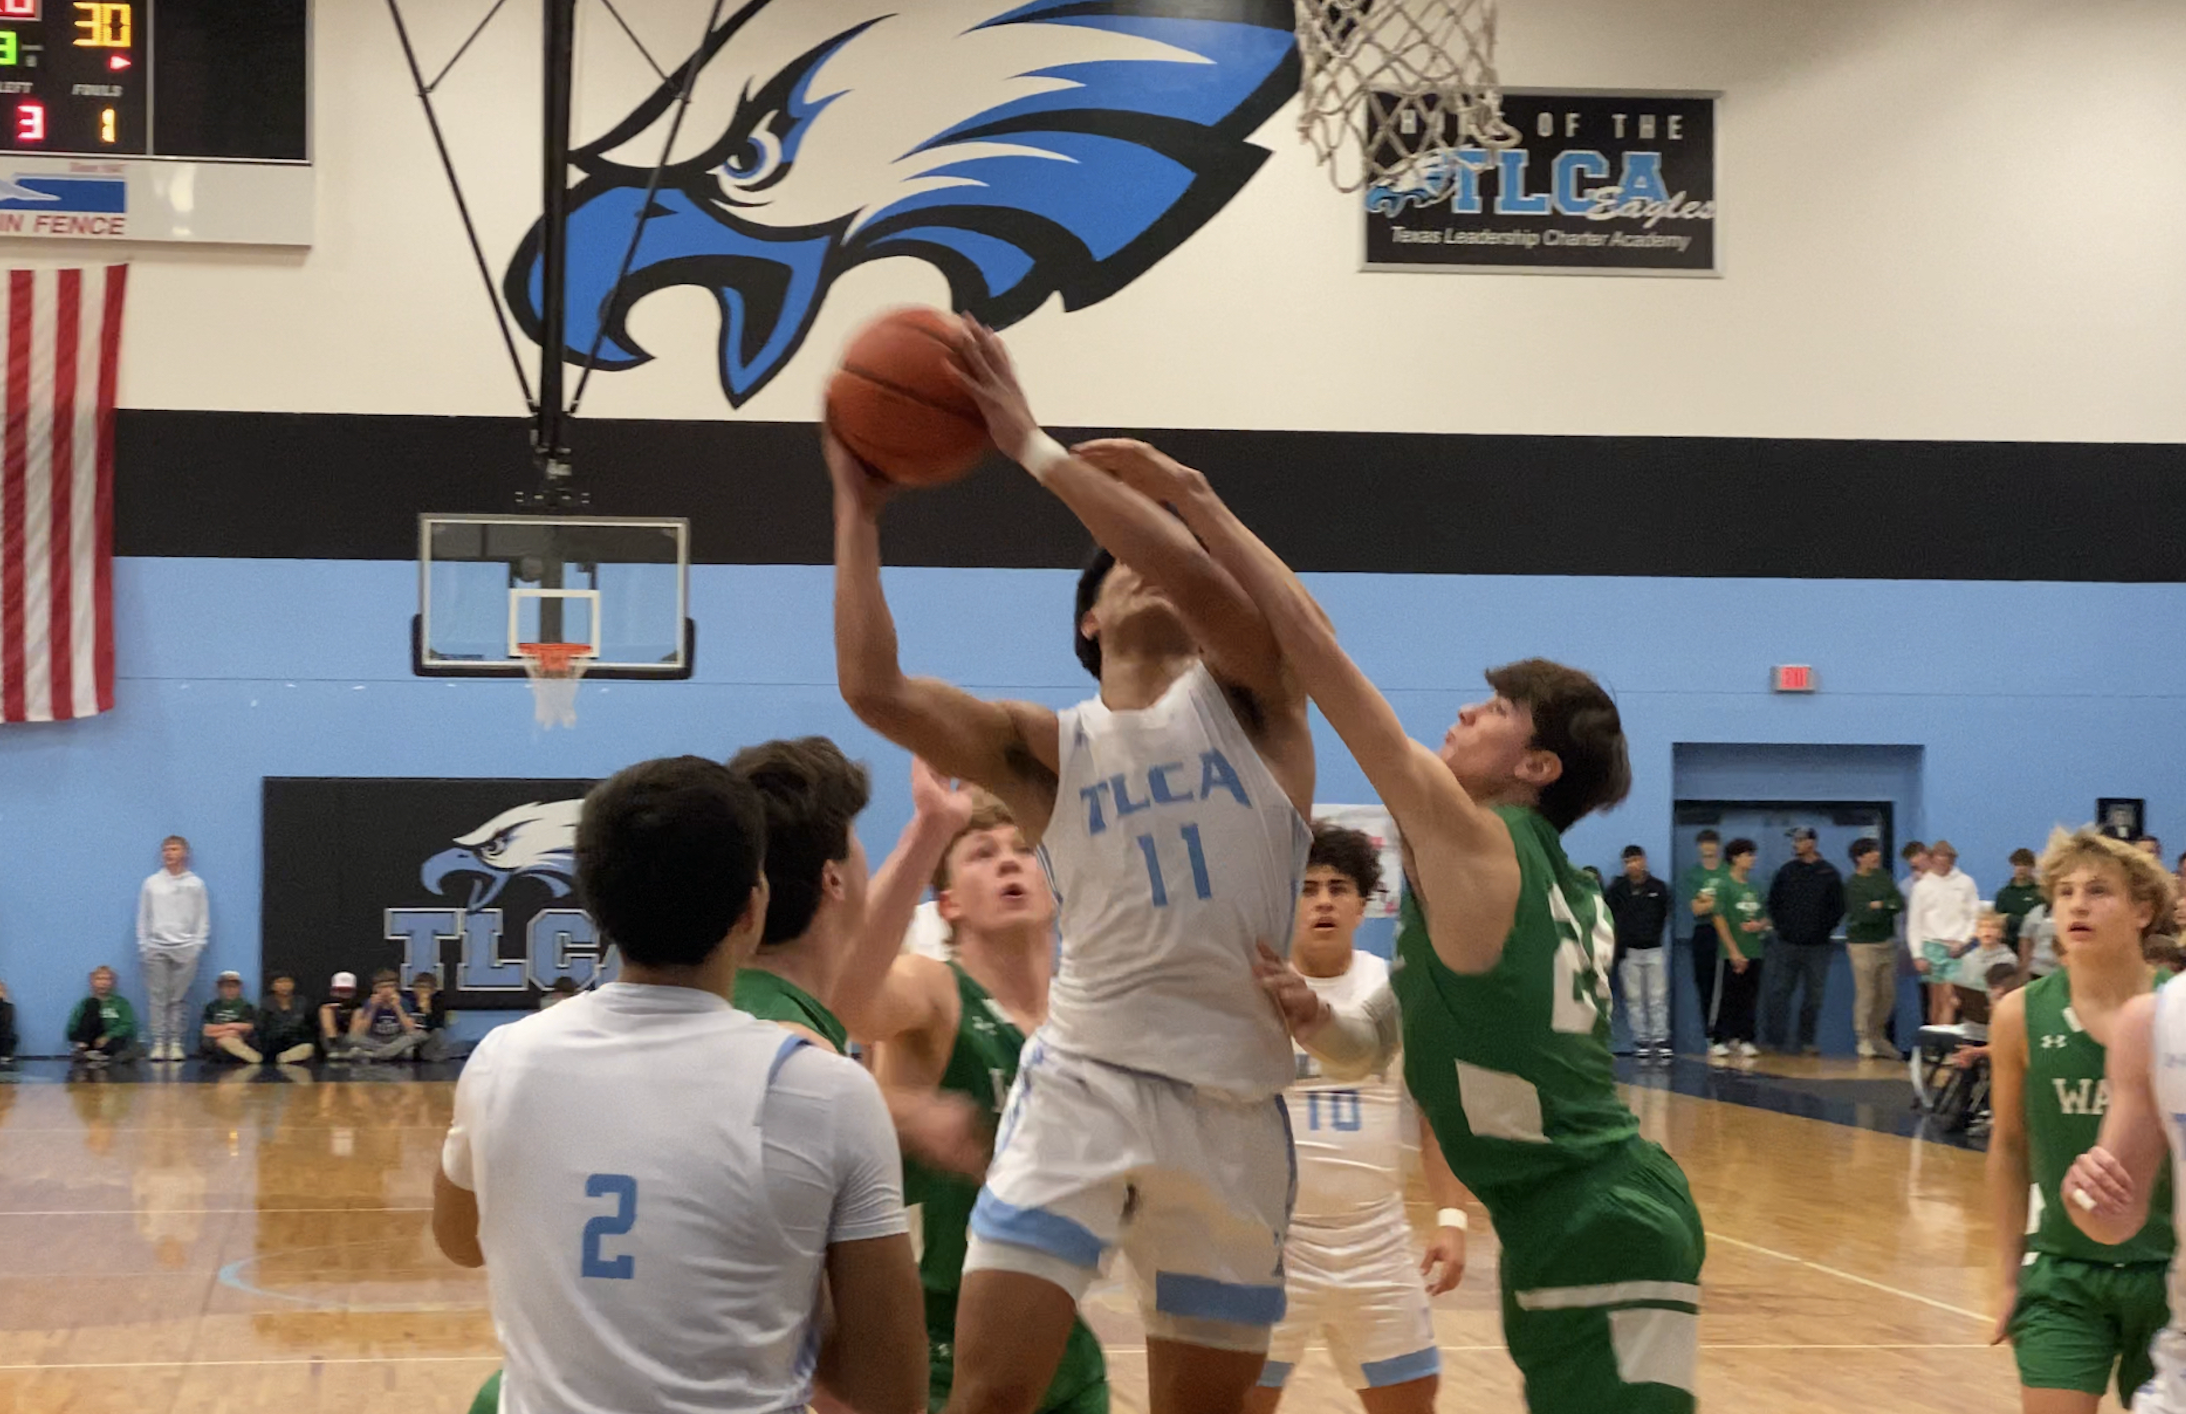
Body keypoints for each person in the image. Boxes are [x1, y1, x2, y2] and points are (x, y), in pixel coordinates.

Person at [1075, 437, 1705, 1413]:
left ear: (1536, 767)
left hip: (1593, 1210)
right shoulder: (1540, 883)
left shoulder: (1477, 838)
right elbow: (1385, 1042)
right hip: (1571, 1213)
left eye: (1495, 707)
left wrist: (1194, 498)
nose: (1464, 710)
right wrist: (1318, 1021)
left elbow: (1314, 654)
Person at [834, 323, 1315, 1414]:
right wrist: (857, 512)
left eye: (1169, 558)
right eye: (1122, 563)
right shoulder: (1047, 751)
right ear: (1089, 620)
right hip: (1084, 1084)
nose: (1156, 567)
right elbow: (873, 688)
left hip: (1233, 1104)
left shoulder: (1256, 709)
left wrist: (1034, 448)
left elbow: (1230, 592)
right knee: (992, 1397)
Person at [432, 754, 924, 1414]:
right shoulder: (824, 1090)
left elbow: (459, 1240)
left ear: (597, 905)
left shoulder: (501, 1060)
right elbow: (890, 1391)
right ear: (753, 906)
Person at [840, 793, 1109, 1414]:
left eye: (1024, 850)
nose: (1009, 863)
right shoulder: (935, 988)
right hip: (938, 1350)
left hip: (1061, 1345)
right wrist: (929, 832)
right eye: (983, 854)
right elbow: (849, 1003)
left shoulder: (1087, 1019)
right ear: (949, 903)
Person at [1251, 821, 1467, 1414]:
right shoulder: (1254, 993)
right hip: (1275, 1244)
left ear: (1362, 904)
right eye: (1307, 888)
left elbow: (1434, 1112)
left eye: (1338, 888)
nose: (1323, 901)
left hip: (1377, 1240)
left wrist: (1452, 1218)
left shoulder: (1393, 990)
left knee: (1412, 1402)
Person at [1988, 827, 2176, 1414]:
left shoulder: (2176, 1012)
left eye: (2098, 891)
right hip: (2063, 1271)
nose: (2077, 905)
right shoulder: (2019, 1014)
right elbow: (2008, 1147)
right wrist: (2006, 1276)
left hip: (2170, 1274)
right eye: (2065, 892)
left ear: (2143, 910)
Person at [1763, 827, 1845, 1056]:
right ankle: (1775, 1041)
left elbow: (1838, 907)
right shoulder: (1786, 871)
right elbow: (1773, 902)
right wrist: (1782, 928)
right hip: (1787, 944)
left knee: (1813, 997)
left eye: (1800, 840)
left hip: (1818, 946)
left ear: (1812, 843)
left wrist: (1823, 930)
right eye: (1794, 840)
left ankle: (1807, 1041)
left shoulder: (1829, 873)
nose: (1795, 844)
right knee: (1779, 992)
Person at [137, 834, 209, 1062]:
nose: (169, 853)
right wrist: (145, 945)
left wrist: (197, 945)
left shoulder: (195, 884)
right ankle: (159, 1043)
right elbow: (143, 916)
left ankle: (176, 1043)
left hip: (186, 948)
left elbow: (202, 917)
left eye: (174, 849)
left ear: (184, 853)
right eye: (166, 849)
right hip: (156, 947)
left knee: (178, 998)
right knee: (158, 997)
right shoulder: (151, 883)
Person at [1604, 845, 1672, 1061]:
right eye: (1628, 862)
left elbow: (1664, 913)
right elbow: (1609, 914)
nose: (1633, 865)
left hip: (1654, 949)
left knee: (1657, 998)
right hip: (1628, 952)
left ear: (1644, 860)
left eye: (1636, 860)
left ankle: (1660, 1039)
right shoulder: (1618, 889)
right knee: (1634, 999)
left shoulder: (1658, 887)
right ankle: (1641, 1040)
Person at [1841, 839, 1906, 1059]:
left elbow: (1898, 903)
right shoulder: (1853, 884)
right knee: (1867, 993)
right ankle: (1864, 1037)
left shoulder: (1882, 876)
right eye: (1871, 852)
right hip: (1863, 945)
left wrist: (1879, 904)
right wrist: (1883, 906)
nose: (1876, 855)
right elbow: (1864, 915)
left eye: (1877, 850)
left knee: (1887, 994)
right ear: (1859, 858)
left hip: (1887, 942)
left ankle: (1879, 1036)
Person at [1910, 840, 1981, 1024]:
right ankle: (1935, 1037)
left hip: (1957, 948)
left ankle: (1946, 1037)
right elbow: (1915, 922)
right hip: (1931, 946)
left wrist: (1964, 941)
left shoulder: (1965, 883)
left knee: (1950, 998)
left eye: (1946, 859)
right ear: (1932, 860)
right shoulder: (1922, 886)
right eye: (1938, 858)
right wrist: (1918, 955)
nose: (1942, 863)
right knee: (1935, 1000)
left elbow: (1974, 916)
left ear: (1952, 860)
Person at [1710, 840, 1768, 1060]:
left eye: (1752, 855)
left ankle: (1744, 1038)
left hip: (1754, 950)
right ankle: (1718, 1039)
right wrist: (1733, 951)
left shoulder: (1755, 887)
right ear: (1735, 858)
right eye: (1747, 855)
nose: (1752, 859)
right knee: (1727, 997)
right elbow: (1719, 918)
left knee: (1749, 997)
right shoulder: (1724, 885)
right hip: (1731, 952)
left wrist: (1759, 925)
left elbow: (1765, 917)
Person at [1677, 830, 1727, 1058]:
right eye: (1704, 843)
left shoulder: (1728, 871)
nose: (1708, 847)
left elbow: (1730, 902)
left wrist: (1710, 901)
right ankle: (1713, 1036)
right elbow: (1697, 908)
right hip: (1705, 932)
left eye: (1712, 843)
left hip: (1729, 932)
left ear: (1718, 846)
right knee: (1706, 985)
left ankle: (1733, 1035)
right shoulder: (1694, 874)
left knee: (1730, 987)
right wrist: (1717, 902)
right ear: (1698, 847)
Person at [67, 965, 142, 1065]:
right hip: (90, 1038)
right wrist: (77, 1037)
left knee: (121, 1041)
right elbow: (73, 1025)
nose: (103, 983)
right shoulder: (85, 1003)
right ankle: (84, 1050)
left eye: (107, 979)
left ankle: (101, 1054)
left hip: (110, 1038)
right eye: (99, 979)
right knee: (93, 1004)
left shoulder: (121, 1003)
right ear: (92, 981)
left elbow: (126, 1025)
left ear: (113, 982)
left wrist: (107, 1036)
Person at [348, 970, 424, 1061]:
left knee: (420, 1035)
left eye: (391, 986)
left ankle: (375, 1055)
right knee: (352, 1038)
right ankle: (391, 1054)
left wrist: (397, 1007)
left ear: (396, 988)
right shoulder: (368, 1003)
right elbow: (359, 1032)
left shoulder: (404, 1002)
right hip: (375, 1040)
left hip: (396, 1039)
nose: (387, 990)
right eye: (383, 987)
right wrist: (372, 1008)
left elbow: (410, 1031)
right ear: (375, 989)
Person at [199, 970, 261, 1064]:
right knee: (217, 1041)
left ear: (239, 988)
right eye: (226, 986)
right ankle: (231, 1046)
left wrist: (227, 1027)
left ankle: (240, 1050)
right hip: (216, 1041)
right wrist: (229, 1030)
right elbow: (207, 1030)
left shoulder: (246, 1006)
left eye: (233, 986)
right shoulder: (212, 1006)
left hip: (240, 1038)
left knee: (248, 1039)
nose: (230, 990)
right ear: (219, 988)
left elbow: (249, 1027)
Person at [256, 972, 316, 1064]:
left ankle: (284, 1058)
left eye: (288, 981)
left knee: (308, 1048)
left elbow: (310, 1025)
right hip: (273, 1044)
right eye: (280, 982)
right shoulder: (265, 1004)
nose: (285, 985)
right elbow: (261, 1028)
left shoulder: (302, 1002)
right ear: (272, 986)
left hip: (297, 1042)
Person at [1996, 848, 2043, 951]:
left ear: (2032, 867)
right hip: (2008, 947)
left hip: (2035, 946)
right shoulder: (2003, 894)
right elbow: (1998, 923)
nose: (2021, 868)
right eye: (2017, 865)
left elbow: (2039, 923)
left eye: (2025, 865)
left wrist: (2010, 918)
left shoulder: (2041, 894)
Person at [409, 972, 451, 1061]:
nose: (421, 990)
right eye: (418, 987)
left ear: (433, 990)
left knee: (438, 1032)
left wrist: (426, 1010)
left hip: (430, 1037)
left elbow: (436, 1025)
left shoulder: (438, 1003)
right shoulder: (408, 1002)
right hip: (412, 1038)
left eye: (424, 987)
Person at [318, 972, 360, 1059]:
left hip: (354, 1039)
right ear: (332, 991)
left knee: (359, 1012)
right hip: (331, 1039)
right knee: (326, 1011)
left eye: (347, 991)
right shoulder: (325, 1005)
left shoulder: (358, 1005)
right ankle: (333, 1047)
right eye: (340, 990)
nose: (343, 994)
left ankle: (353, 1047)